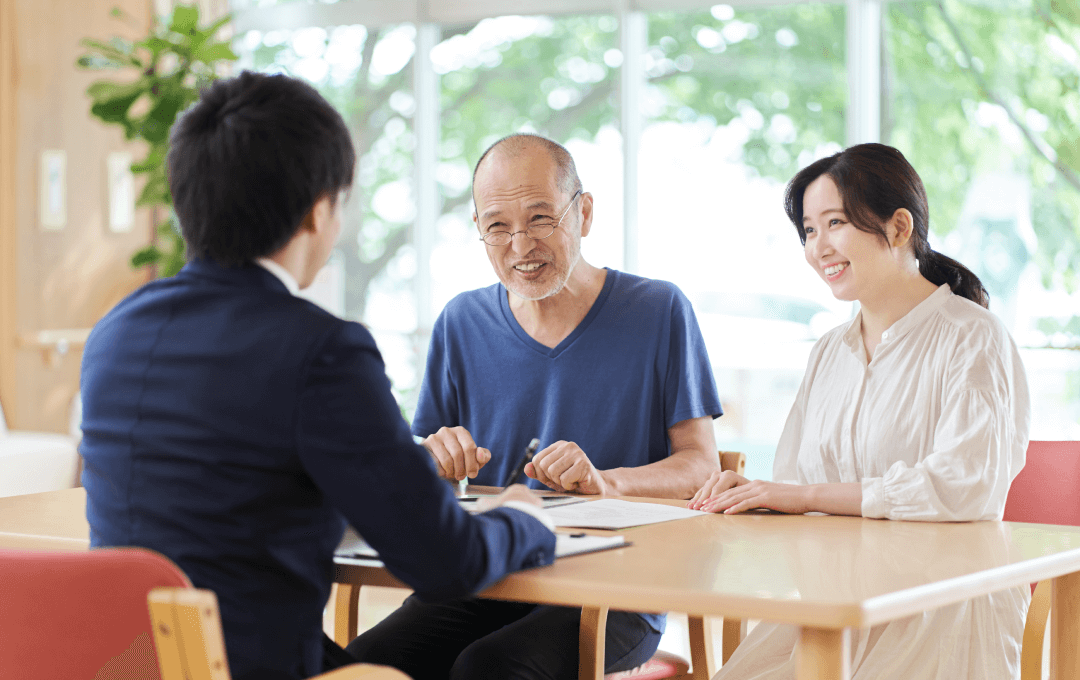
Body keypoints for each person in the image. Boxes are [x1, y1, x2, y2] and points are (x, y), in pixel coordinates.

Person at [79, 72, 557, 680]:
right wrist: (522, 519)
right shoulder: (320, 349)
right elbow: (446, 564)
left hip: (132, 665)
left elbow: (216, 494)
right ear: (319, 209)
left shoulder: (114, 334)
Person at [345, 133, 725, 679]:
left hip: (617, 589)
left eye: (540, 219)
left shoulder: (659, 310)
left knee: (490, 669)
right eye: (497, 226)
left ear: (584, 213)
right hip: (489, 574)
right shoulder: (461, 322)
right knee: (362, 667)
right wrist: (433, 459)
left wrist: (607, 482)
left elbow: (701, 466)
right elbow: (426, 475)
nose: (520, 245)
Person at [687, 143, 1031, 679]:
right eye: (808, 230)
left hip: (939, 608)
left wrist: (804, 498)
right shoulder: (829, 351)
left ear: (899, 227)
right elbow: (795, 480)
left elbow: (964, 487)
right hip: (834, 602)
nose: (818, 246)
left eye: (835, 223)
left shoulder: (973, 337)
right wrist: (757, 498)